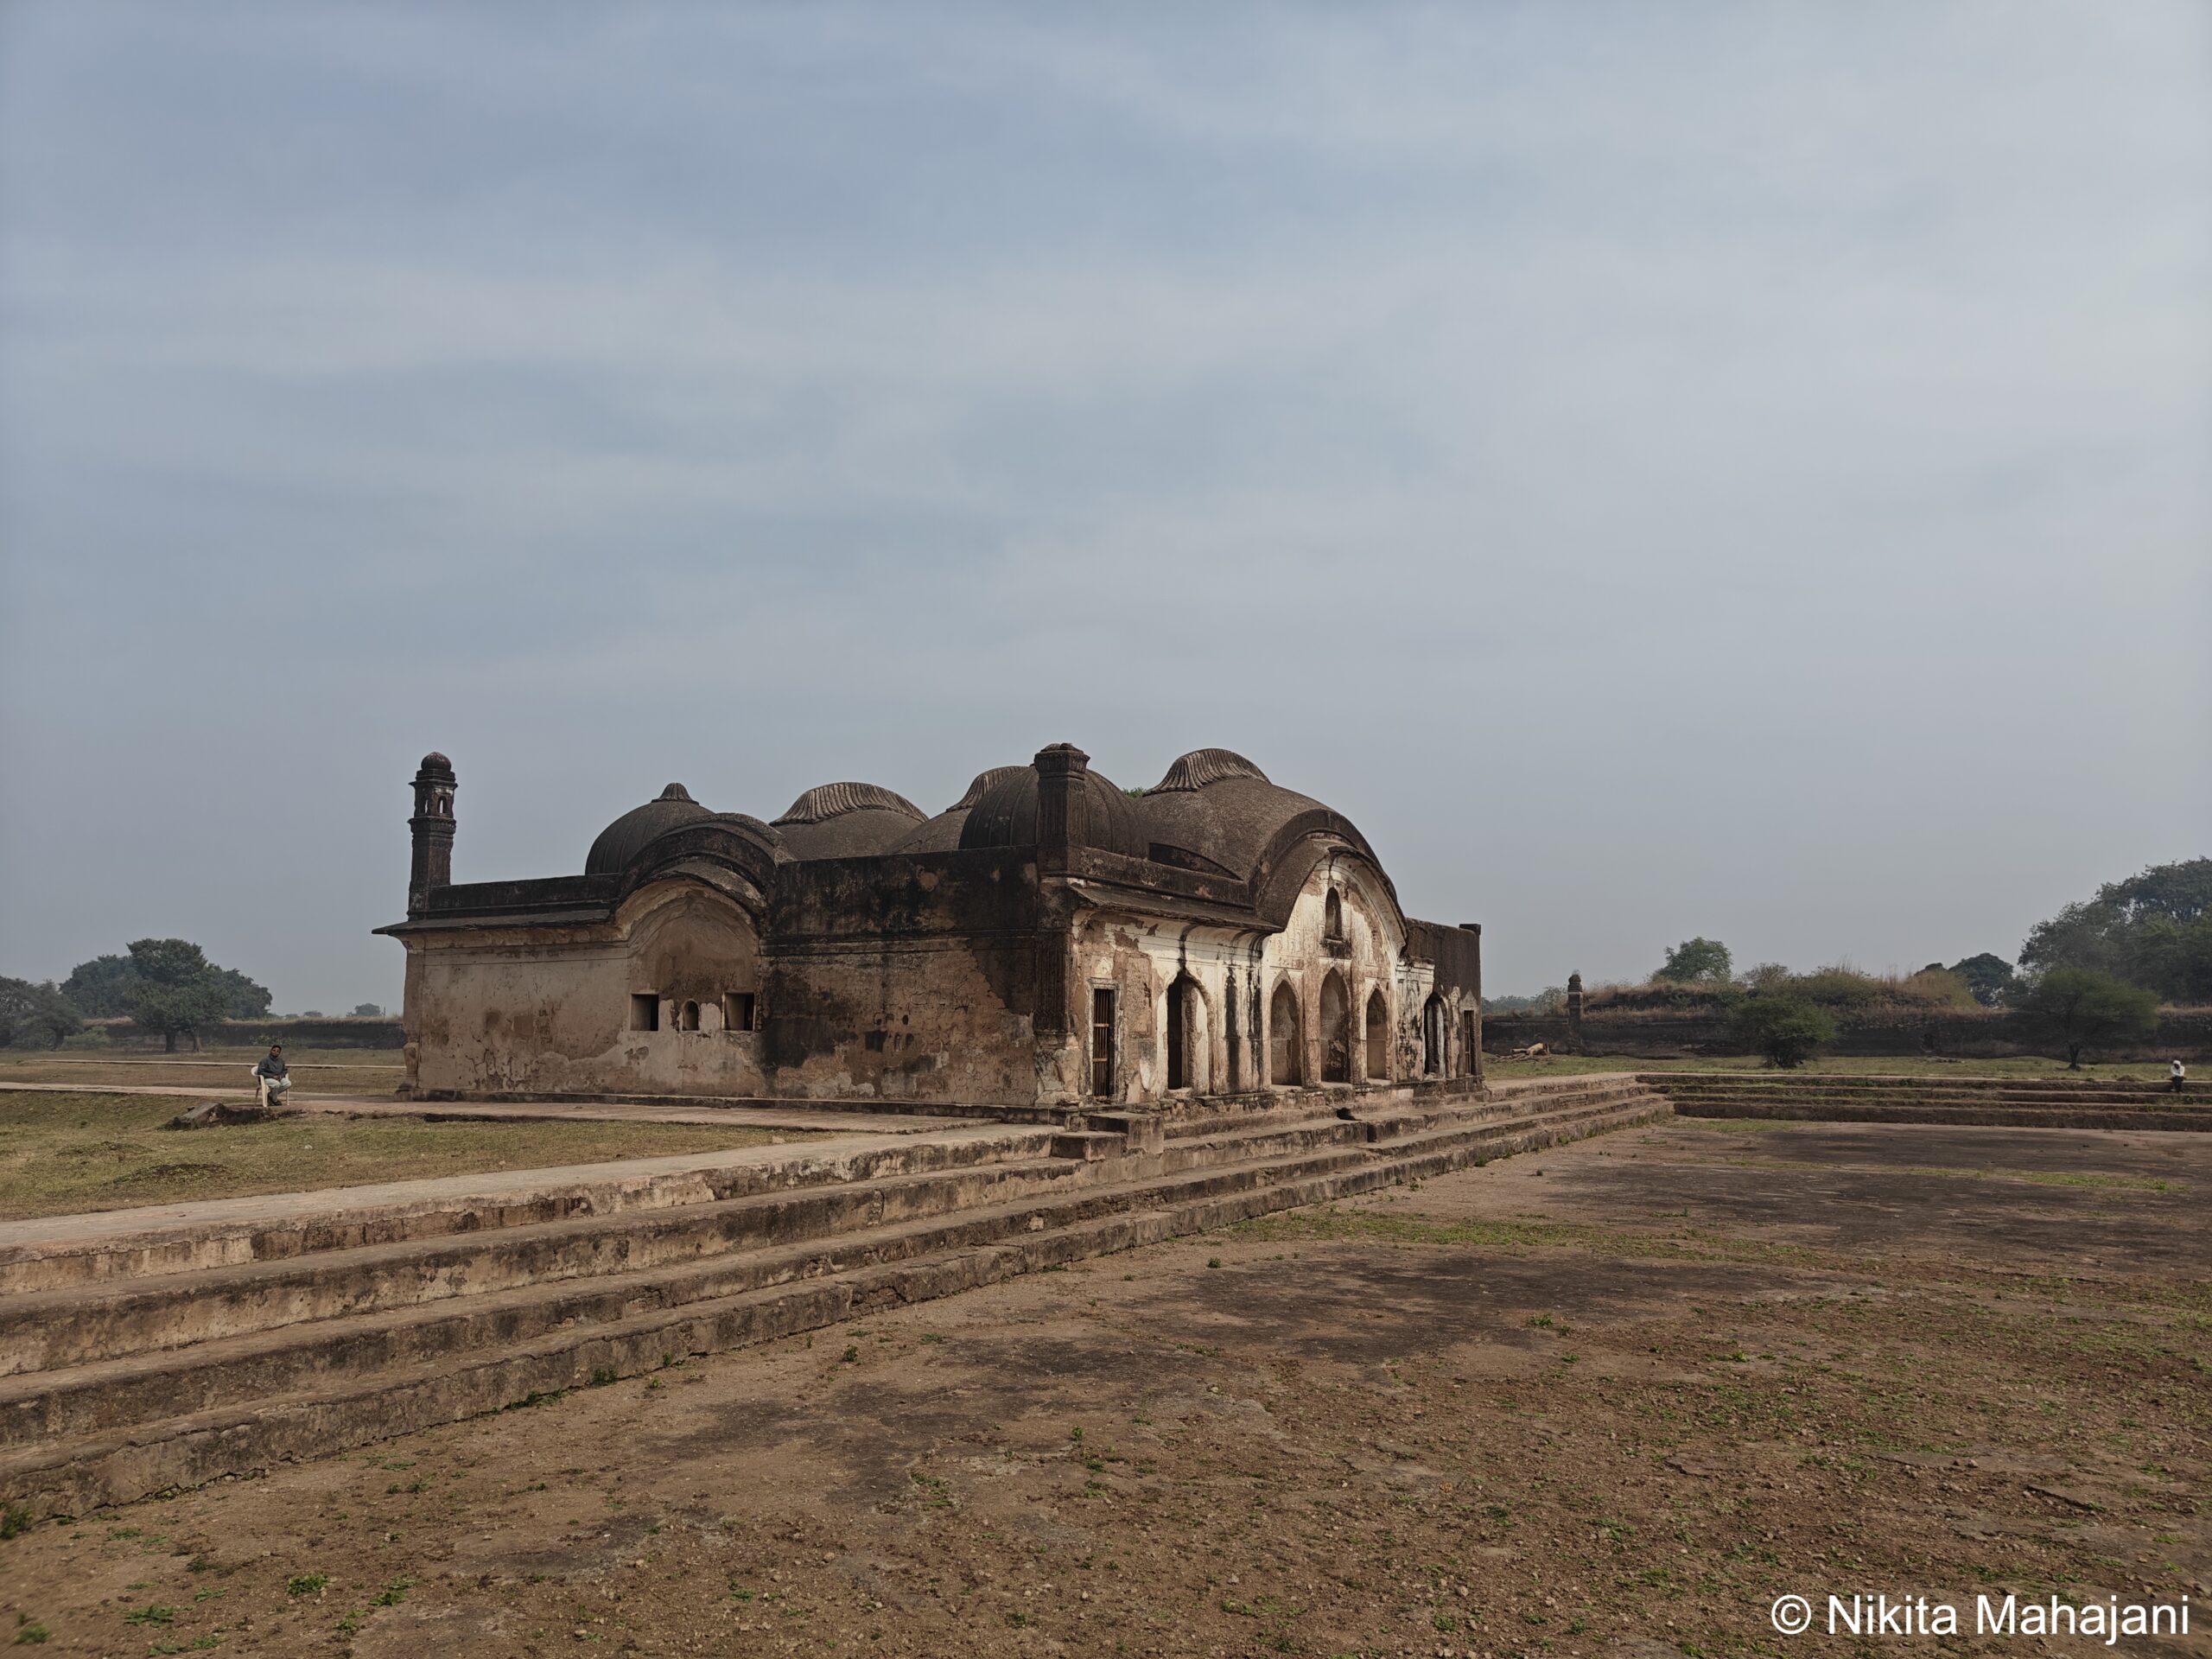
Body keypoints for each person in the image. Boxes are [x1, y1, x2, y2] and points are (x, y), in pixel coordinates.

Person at [254, 1044, 292, 1109]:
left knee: (288, 1083)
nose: (275, 1052)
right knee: (276, 1084)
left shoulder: (281, 1061)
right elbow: (260, 1071)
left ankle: (270, 1095)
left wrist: (281, 1076)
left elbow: (285, 1070)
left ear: (279, 1053)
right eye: (274, 1050)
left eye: (278, 1051)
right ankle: (275, 1100)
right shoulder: (265, 1060)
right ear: (271, 1051)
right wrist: (272, 1076)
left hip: (278, 1078)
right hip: (267, 1078)